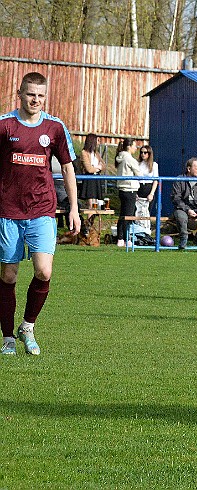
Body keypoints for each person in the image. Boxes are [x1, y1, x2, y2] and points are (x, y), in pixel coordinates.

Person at [0, 71, 80, 356]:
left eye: (40, 95)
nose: (35, 99)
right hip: (7, 211)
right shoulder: (4, 125)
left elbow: (68, 167)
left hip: (42, 210)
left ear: (46, 97)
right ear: (19, 93)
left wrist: (73, 207)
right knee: (9, 276)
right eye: (30, 94)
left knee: (44, 272)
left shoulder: (55, 128)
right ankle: (8, 337)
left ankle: (28, 327)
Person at [115, 138, 142, 247]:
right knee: (128, 215)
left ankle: (120, 237)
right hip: (129, 189)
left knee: (122, 214)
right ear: (129, 147)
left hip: (122, 189)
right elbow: (139, 174)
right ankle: (125, 238)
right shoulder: (130, 159)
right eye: (134, 146)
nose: (136, 148)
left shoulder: (121, 157)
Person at [78, 133, 106, 210]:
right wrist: (97, 167)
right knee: (91, 205)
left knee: (96, 204)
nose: (99, 142)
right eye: (97, 140)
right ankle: (89, 221)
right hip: (89, 180)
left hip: (96, 178)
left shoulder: (96, 153)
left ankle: (91, 221)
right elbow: (89, 169)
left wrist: (97, 167)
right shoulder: (84, 153)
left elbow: (104, 165)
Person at [137, 145, 159, 216]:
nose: (143, 154)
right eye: (141, 152)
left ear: (149, 154)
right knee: (137, 212)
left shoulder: (154, 165)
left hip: (148, 188)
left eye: (145, 152)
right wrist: (135, 193)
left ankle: (146, 227)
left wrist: (152, 193)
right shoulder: (138, 164)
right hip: (139, 187)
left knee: (147, 212)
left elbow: (155, 180)